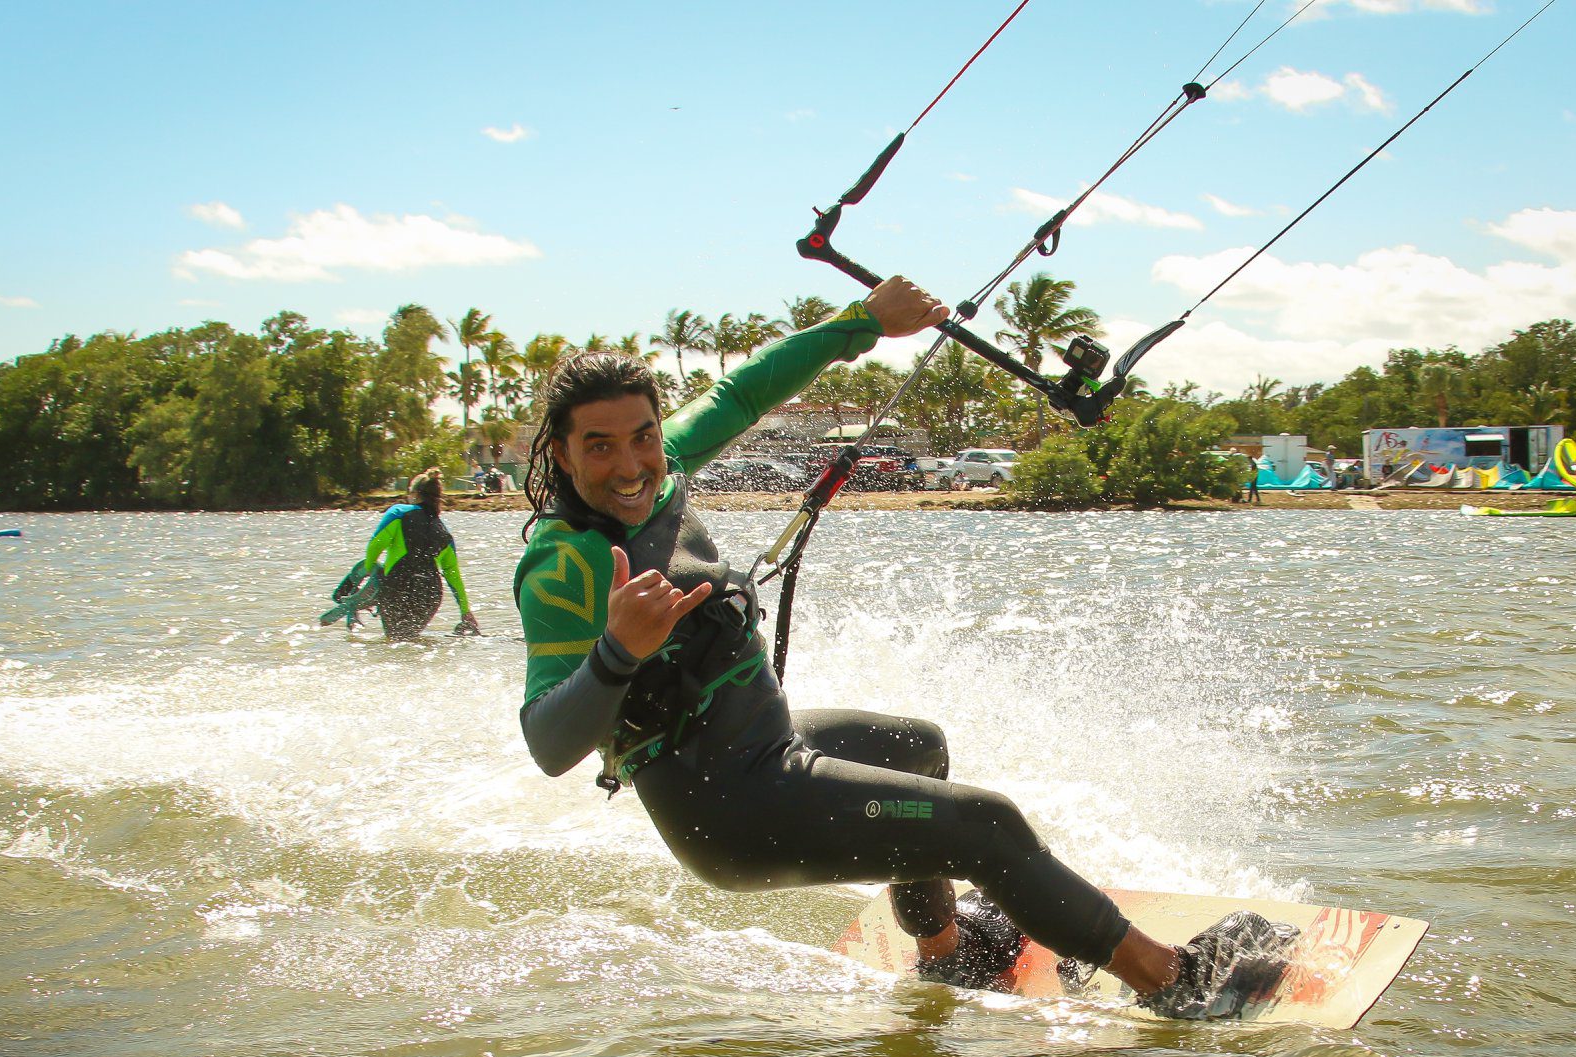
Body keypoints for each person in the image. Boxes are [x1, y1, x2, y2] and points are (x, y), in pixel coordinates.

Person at [511, 277, 1291, 1017]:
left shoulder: (663, 466)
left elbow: (737, 393)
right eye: (599, 447)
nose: (628, 466)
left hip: (762, 749)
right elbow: (548, 744)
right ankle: (1174, 983)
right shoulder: (562, 564)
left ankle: (948, 952)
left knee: (917, 748)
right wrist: (616, 652)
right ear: (562, 453)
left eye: (641, 437)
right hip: (725, 808)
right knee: (985, 828)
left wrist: (864, 322)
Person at [363, 467, 481, 641]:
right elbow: (453, 575)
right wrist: (465, 611)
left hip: (398, 585)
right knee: (409, 638)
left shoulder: (398, 513)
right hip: (430, 594)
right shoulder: (444, 533)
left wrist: (369, 570)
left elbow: (375, 545)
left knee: (395, 641)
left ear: (416, 494)